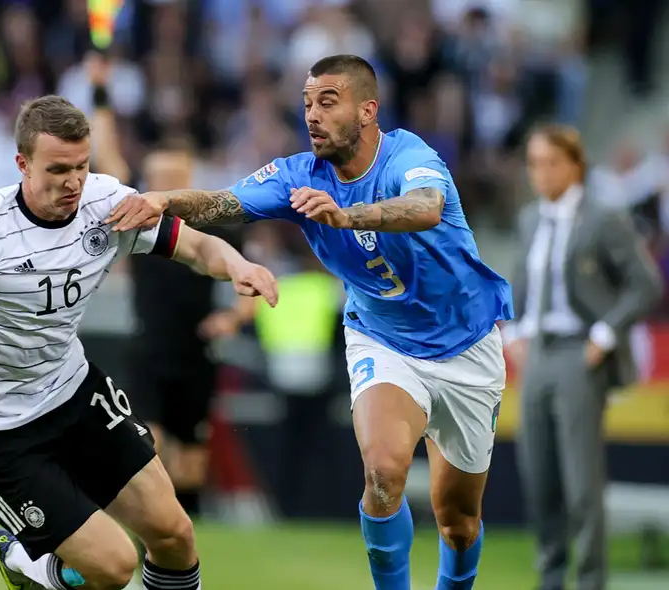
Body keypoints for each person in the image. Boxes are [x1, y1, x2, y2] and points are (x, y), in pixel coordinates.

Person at [107, 54, 514, 590]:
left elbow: (425, 207)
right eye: (307, 104)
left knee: (458, 521)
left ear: (367, 110)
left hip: (467, 345)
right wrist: (164, 200)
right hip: (383, 339)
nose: (313, 115)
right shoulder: (297, 176)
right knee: (383, 473)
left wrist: (346, 216)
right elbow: (223, 203)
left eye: (328, 102)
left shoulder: (409, 156)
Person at [0, 95, 278, 590]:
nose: (73, 182)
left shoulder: (105, 204)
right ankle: (19, 557)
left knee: (174, 534)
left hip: (72, 392)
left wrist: (237, 266)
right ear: (22, 164)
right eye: (58, 169)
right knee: (113, 567)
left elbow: (194, 244)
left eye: (81, 166)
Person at [506, 124, 662, 590]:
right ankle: (551, 576)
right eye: (534, 163)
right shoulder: (530, 219)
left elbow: (645, 284)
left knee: (581, 480)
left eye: (551, 162)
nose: (541, 173)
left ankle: (591, 580)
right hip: (538, 354)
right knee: (538, 473)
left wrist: (606, 332)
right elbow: (522, 282)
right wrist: (514, 329)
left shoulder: (601, 218)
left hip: (579, 353)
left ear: (575, 166)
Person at [85, 52, 235, 517]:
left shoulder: (213, 224)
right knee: (151, 445)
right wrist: (100, 92)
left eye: (175, 177)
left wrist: (232, 317)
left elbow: (248, 279)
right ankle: (154, 530)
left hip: (196, 355)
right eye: (159, 177)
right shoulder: (137, 217)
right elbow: (107, 153)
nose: (165, 184)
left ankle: (182, 532)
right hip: (150, 351)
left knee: (190, 462)